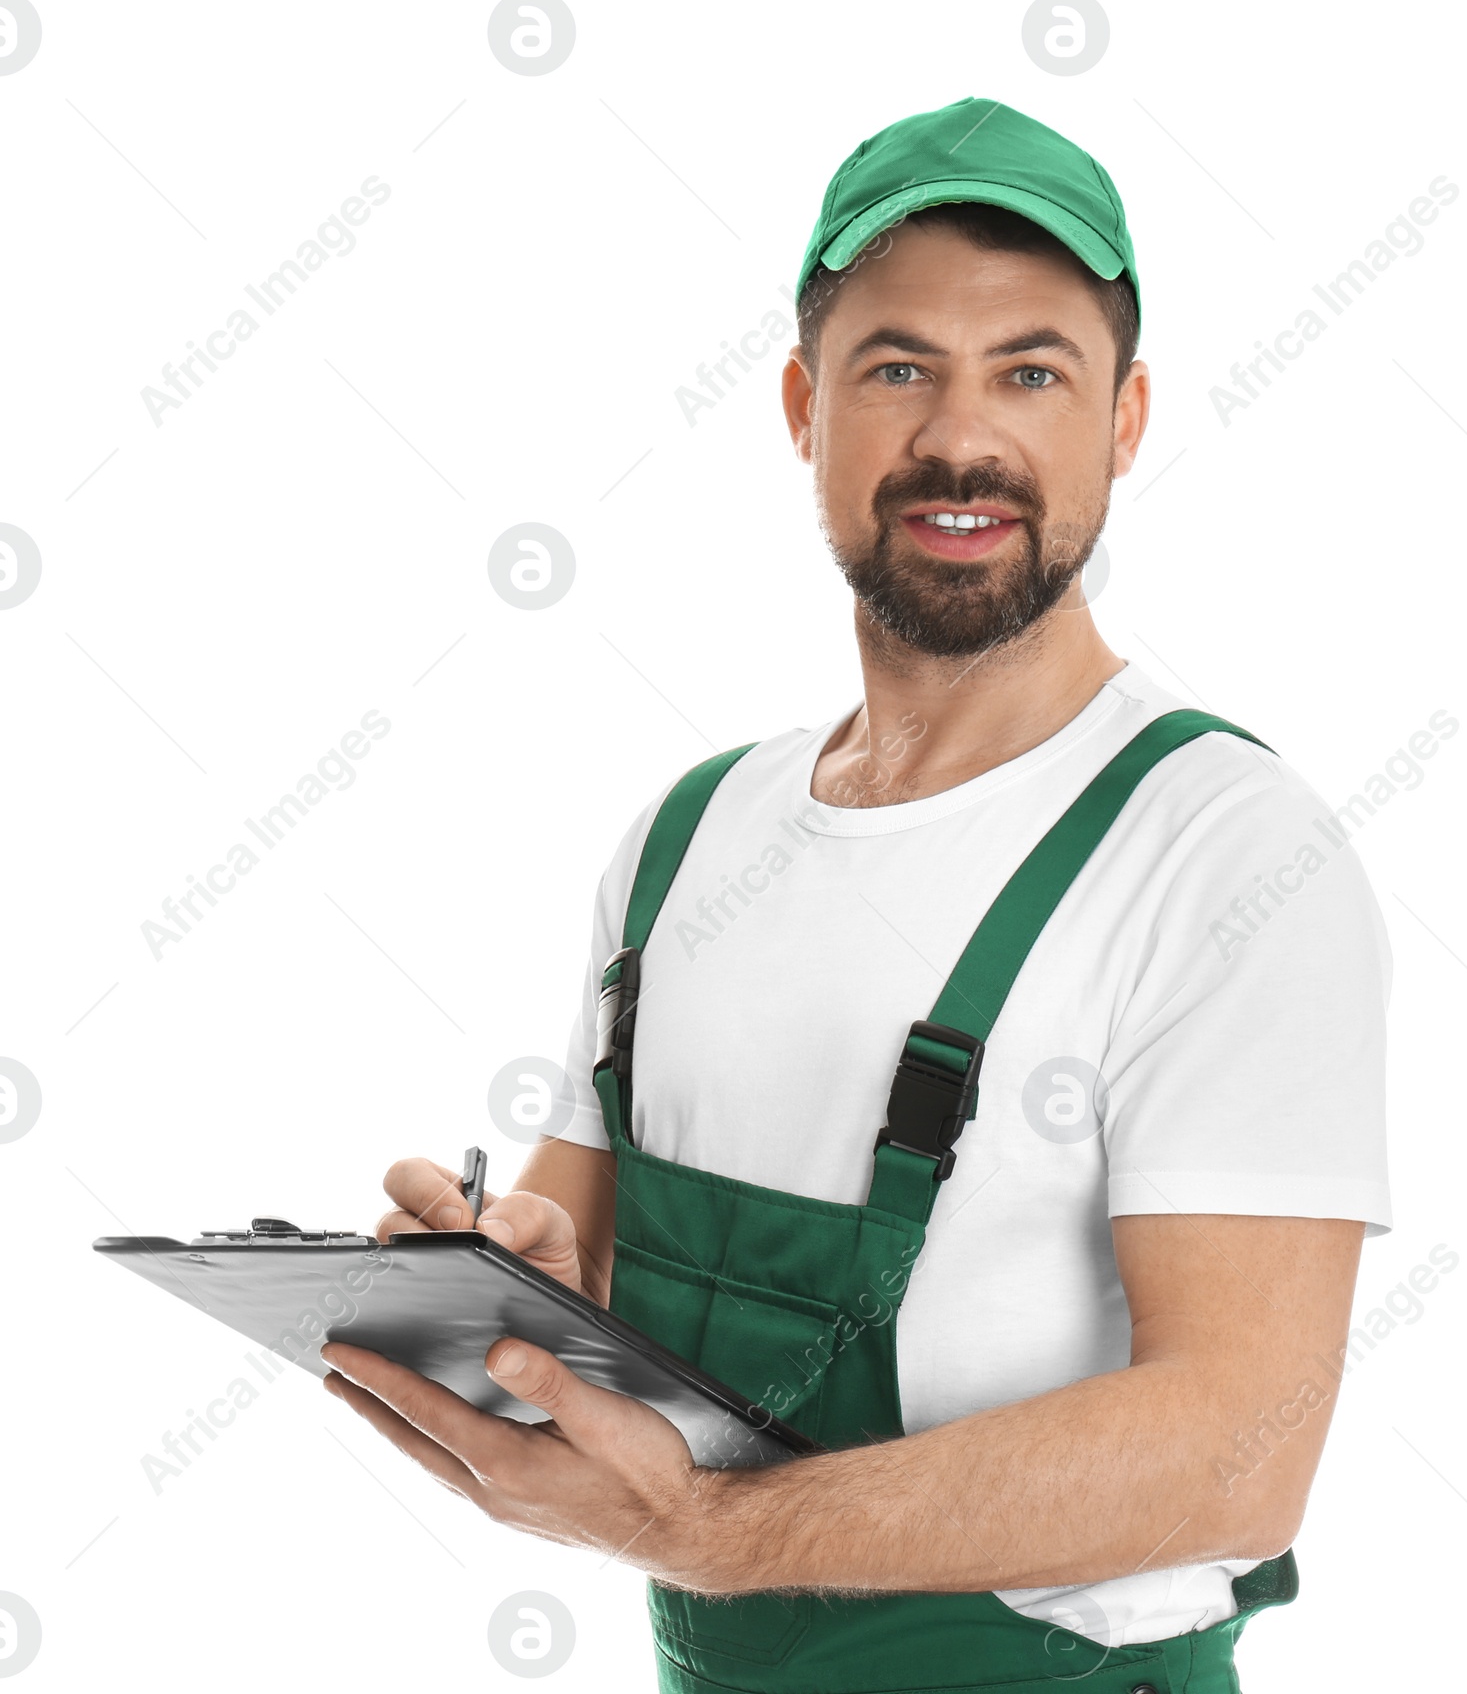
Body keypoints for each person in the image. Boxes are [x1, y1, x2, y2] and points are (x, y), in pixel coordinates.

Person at [323, 97, 1392, 1694]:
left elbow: (1234, 1452)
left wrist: (710, 1535)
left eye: (1033, 371)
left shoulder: (1226, 857)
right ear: (803, 407)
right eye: (899, 370)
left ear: (1126, 418)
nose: (963, 440)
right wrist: (507, 1294)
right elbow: (594, 1273)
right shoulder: (686, 839)